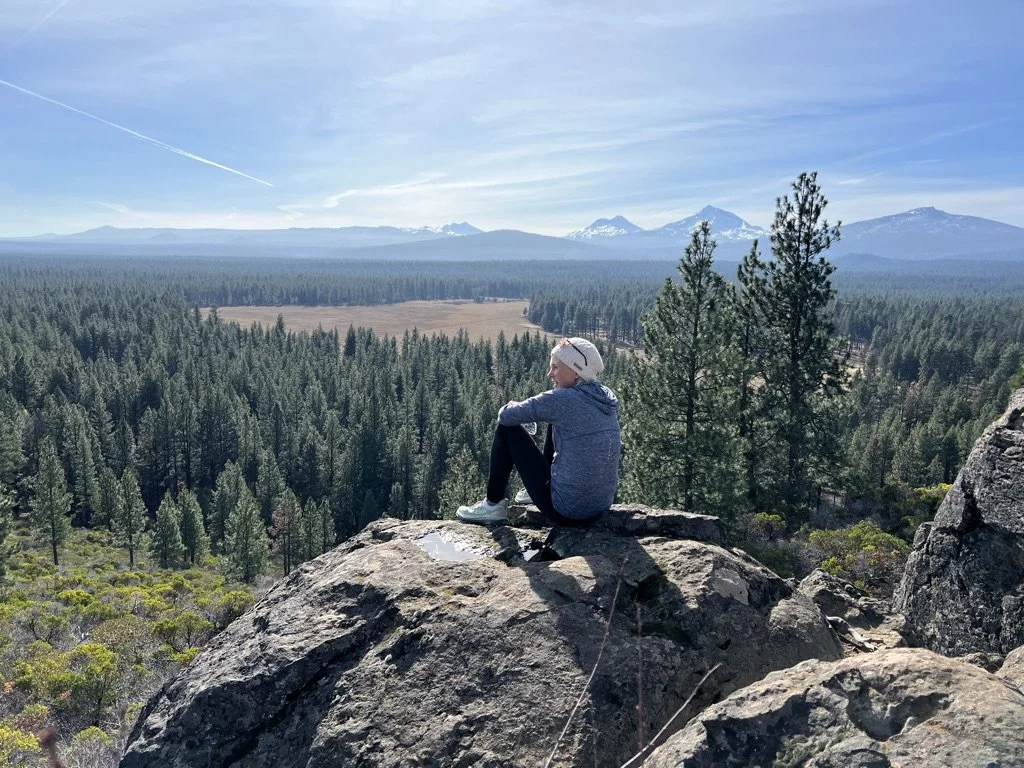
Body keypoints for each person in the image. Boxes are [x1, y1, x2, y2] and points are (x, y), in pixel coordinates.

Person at [456, 336, 621, 525]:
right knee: (556, 421)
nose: (550, 374)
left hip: (567, 511)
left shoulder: (563, 400)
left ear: (577, 372)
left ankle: (493, 505)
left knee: (506, 429)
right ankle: (536, 490)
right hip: (600, 506)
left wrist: (513, 406)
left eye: (556, 367)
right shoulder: (604, 397)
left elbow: (506, 416)